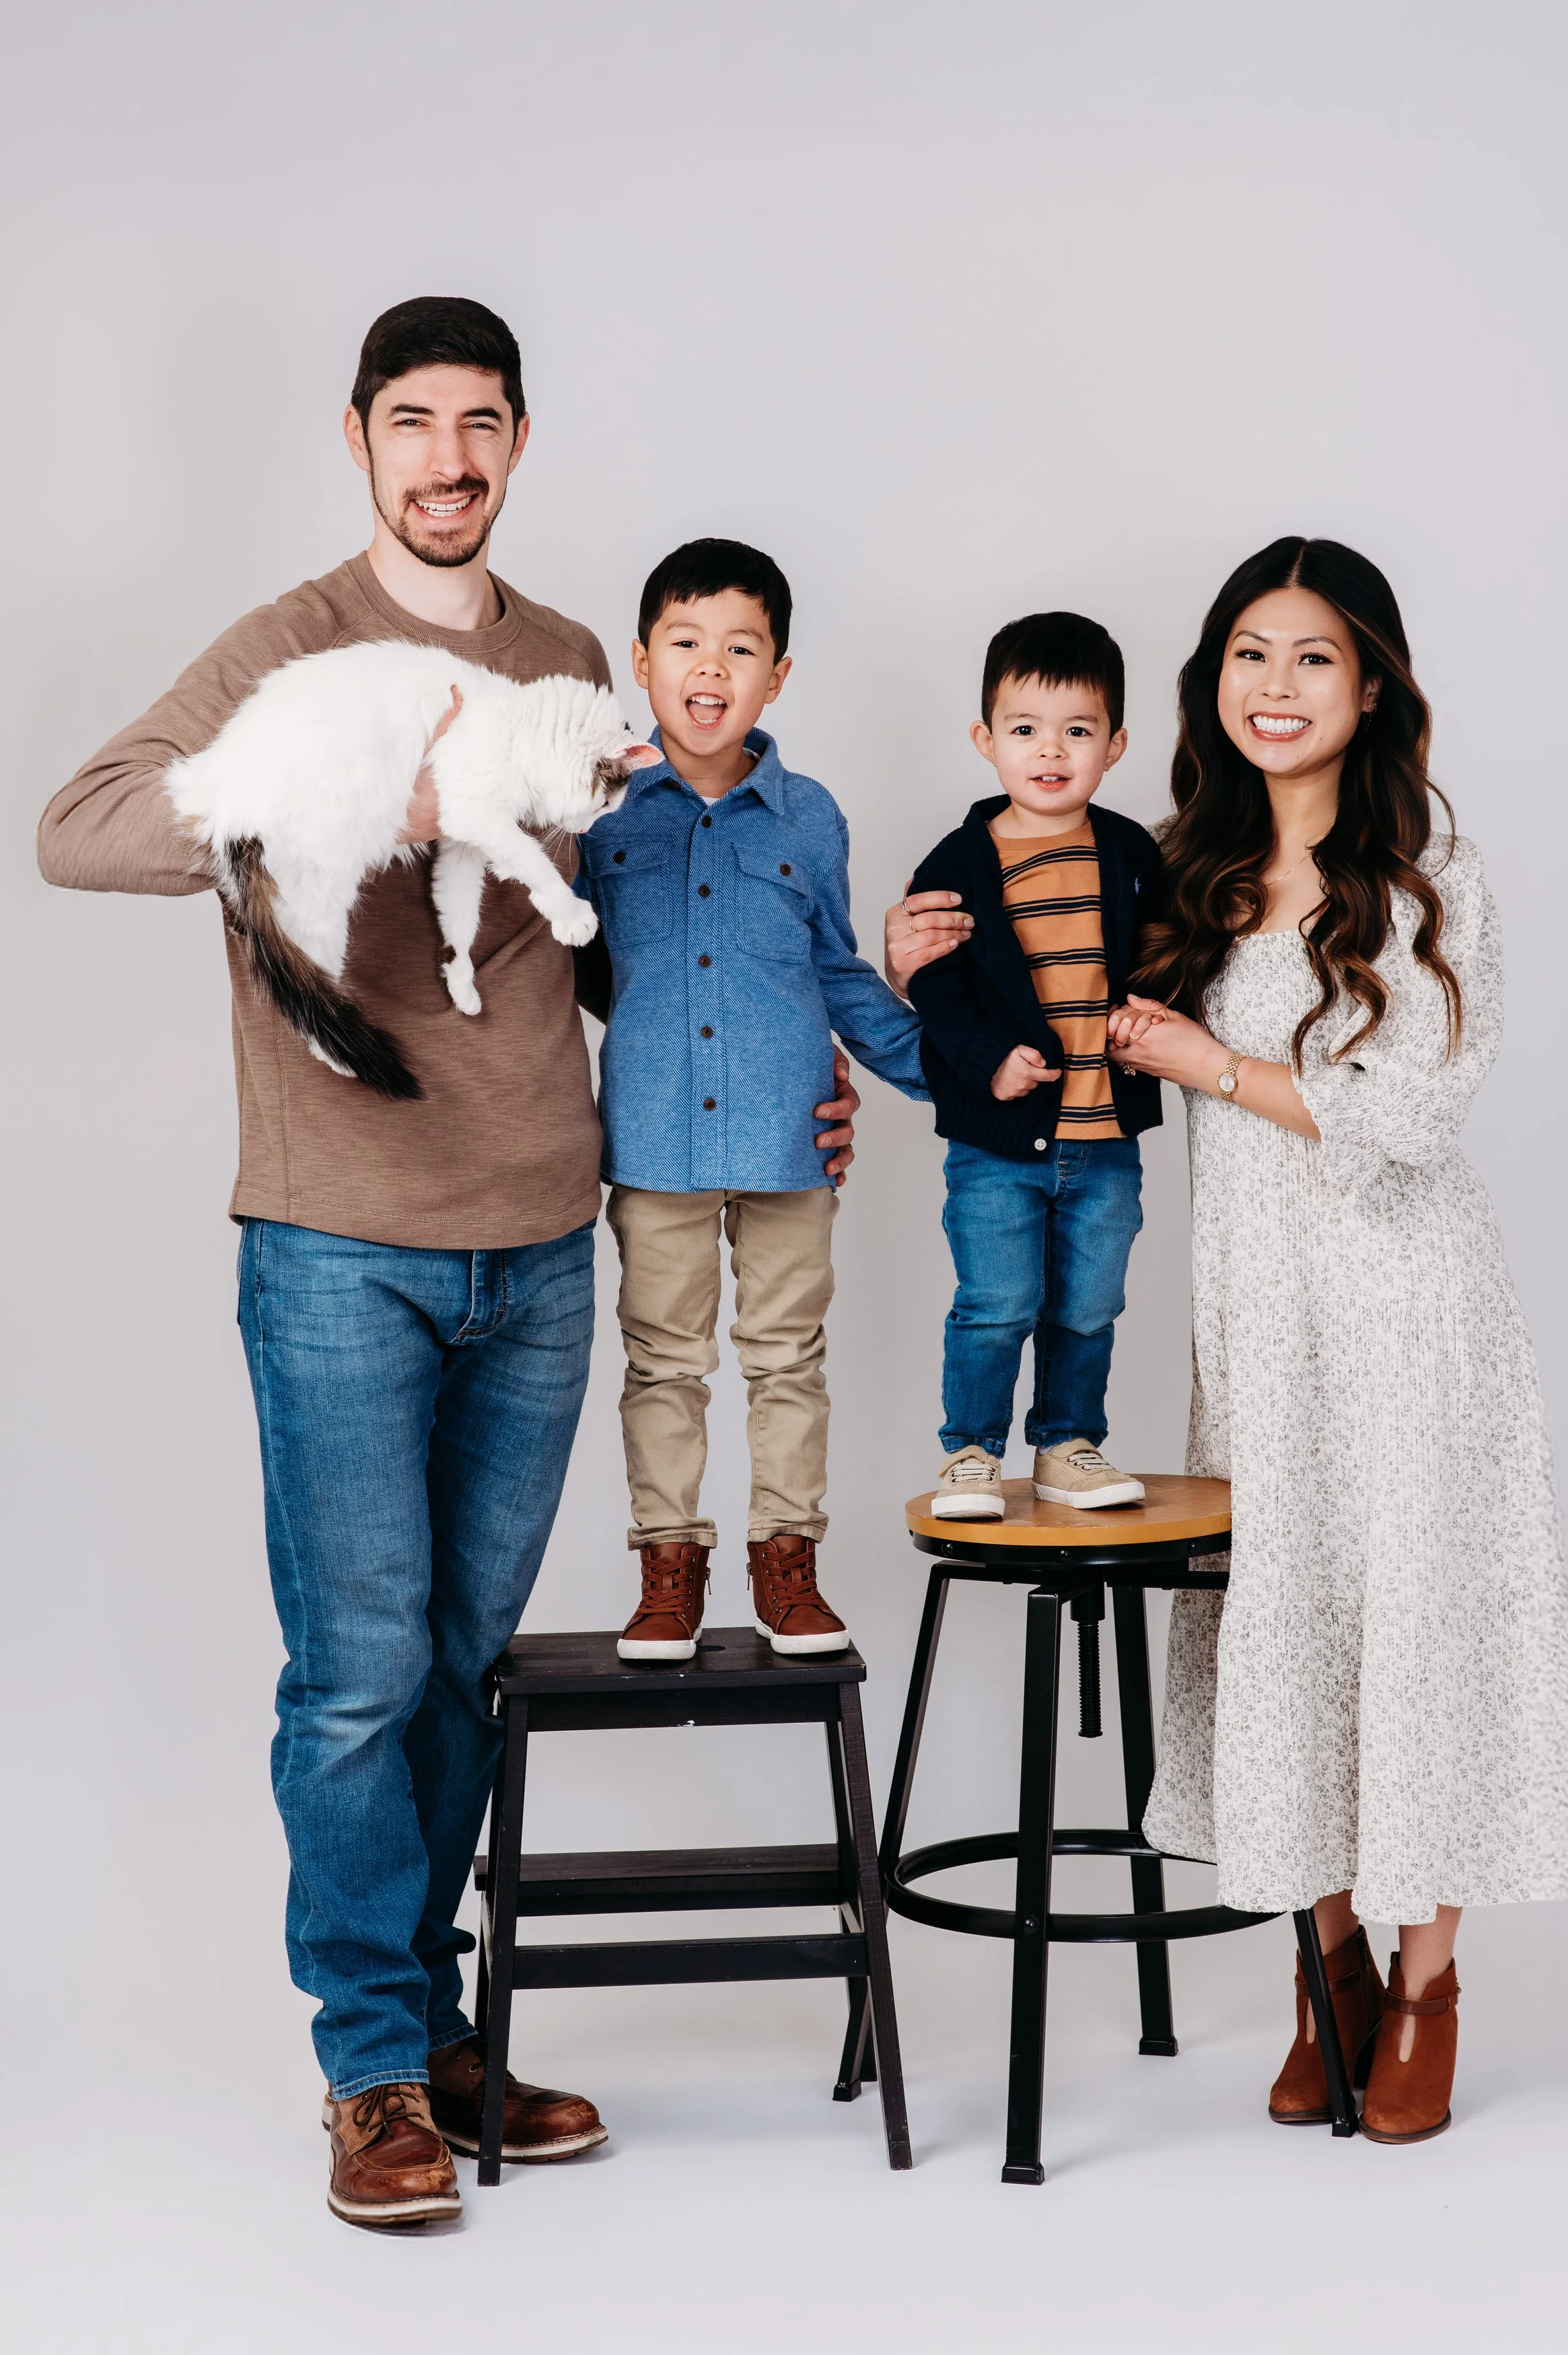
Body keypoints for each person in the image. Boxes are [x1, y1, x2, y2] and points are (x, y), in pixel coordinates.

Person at [36, 299, 860, 2229]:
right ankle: (372, 2070)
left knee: (458, 1675)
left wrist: (791, 1084)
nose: (445, 456)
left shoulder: (581, 658)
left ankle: (439, 2030)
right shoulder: (291, 648)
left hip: (544, 1240)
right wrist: (360, 799)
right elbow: (73, 828)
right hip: (337, 1240)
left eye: (478, 421)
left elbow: (629, 945)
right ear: (356, 440)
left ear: (515, 441)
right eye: (411, 423)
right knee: (352, 1676)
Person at [1102, 536, 1568, 2142]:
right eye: (1249, 653)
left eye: (1310, 656)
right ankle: (1329, 1978)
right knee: (1280, 1639)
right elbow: (1056, 1011)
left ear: (1367, 680)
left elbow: (1414, 1114)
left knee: (1412, 1638)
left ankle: (1426, 1981)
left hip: (1405, 1315)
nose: (1275, 687)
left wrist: (1208, 1061)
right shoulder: (1188, 865)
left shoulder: (1425, 868)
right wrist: (913, 972)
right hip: (1255, 1328)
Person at [577, 538, 928, 1664]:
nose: (711, 665)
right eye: (685, 641)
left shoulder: (809, 815)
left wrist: (945, 1071)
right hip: (653, 1139)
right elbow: (580, 966)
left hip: (788, 1138)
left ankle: (788, 1563)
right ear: (642, 660)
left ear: (778, 674)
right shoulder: (602, 811)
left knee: (787, 1356)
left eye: (742, 645)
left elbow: (832, 967)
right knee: (664, 1361)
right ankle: (668, 1566)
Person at [901, 612, 1161, 1520]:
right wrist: (984, 1061)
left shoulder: (1131, 854)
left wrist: (1153, 1015)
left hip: (1105, 1140)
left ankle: (1067, 1443)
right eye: (1025, 729)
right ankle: (971, 1449)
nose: (1050, 751)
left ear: (1115, 743)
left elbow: (1167, 957)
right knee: (997, 1302)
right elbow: (933, 982)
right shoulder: (961, 862)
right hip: (999, 1142)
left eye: (1077, 730)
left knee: (1090, 1301)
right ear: (987, 739)